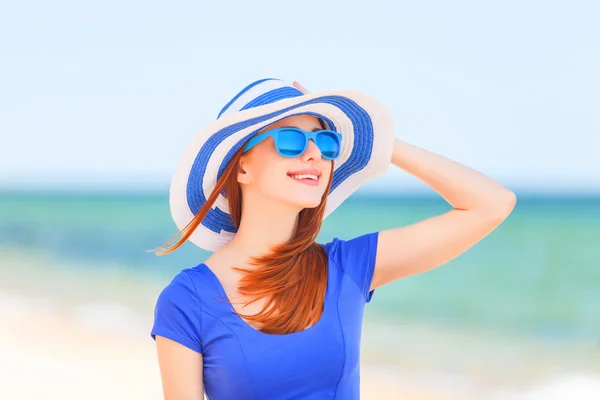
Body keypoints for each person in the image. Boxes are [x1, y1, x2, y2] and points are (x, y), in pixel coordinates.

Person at [149, 78, 516, 399]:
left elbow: (491, 204)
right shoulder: (186, 300)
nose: (314, 154)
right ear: (242, 165)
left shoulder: (346, 268)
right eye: (291, 140)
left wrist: (382, 142)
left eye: (326, 143)